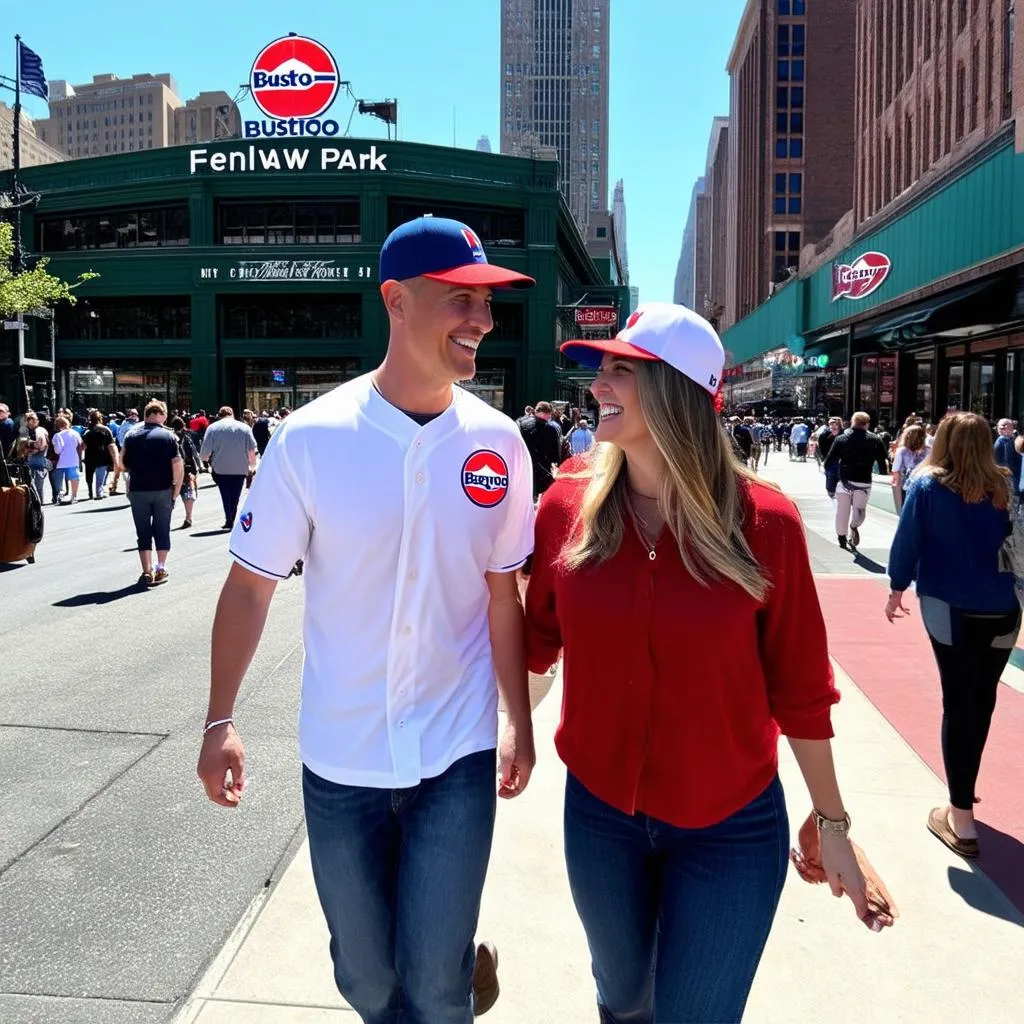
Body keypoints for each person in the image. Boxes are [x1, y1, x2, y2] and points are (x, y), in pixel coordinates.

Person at [197, 215, 539, 1024]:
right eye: (462, 299)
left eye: (489, 304)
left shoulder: (500, 444)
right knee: (366, 981)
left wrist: (516, 719)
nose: (483, 322)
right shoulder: (312, 439)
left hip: (455, 757)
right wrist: (219, 720)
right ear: (396, 299)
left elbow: (503, 592)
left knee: (428, 987)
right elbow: (250, 589)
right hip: (342, 759)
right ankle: (446, 963)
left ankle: (451, 970)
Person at [527, 303, 895, 1023]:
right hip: (599, 816)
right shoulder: (564, 509)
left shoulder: (766, 522)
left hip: (731, 826)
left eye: (620, 370)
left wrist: (835, 824)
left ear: (677, 392)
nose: (597, 383)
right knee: (624, 998)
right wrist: (491, 742)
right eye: (601, 368)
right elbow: (536, 650)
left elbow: (801, 690)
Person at [886, 412, 1020, 859]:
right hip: (1002, 610)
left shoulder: (928, 485)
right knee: (981, 702)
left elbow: (909, 540)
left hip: (950, 606)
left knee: (957, 702)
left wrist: (896, 587)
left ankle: (960, 816)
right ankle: (965, 784)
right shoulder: (1003, 486)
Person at [120, 399, 183, 586]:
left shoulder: (131, 435)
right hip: (163, 488)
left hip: (138, 489)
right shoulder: (170, 437)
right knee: (162, 529)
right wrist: (176, 489)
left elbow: (121, 462)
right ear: (162, 415)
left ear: (146, 415)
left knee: (143, 531)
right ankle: (161, 567)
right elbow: (177, 466)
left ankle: (146, 571)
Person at [823, 411, 889, 551]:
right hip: (863, 481)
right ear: (867, 424)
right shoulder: (875, 439)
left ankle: (841, 537)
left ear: (853, 422)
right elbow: (883, 459)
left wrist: (831, 477)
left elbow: (829, 461)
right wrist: (883, 471)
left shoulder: (841, 439)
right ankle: (854, 526)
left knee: (842, 511)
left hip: (845, 480)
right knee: (860, 511)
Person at [200, 407, 258, 530]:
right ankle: (232, 515)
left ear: (219, 415)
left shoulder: (212, 428)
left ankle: (229, 518)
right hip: (240, 468)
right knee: (235, 495)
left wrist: (205, 460)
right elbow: (252, 450)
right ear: (232, 414)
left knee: (225, 494)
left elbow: (205, 453)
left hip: (220, 468)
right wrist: (252, 467)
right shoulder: (245, 428)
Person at [518, 400, 563, 499]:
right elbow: (556, 453)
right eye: (549, 414)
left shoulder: (520, 423)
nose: (550, 417)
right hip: (543, 471)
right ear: (546, 413)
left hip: (524, 468)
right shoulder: (552, 428)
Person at [169, 416, 202, 528]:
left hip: (170, 471)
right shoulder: (187, 437)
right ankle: (188, 517)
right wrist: (197, 469)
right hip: (186, 469)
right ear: (183, 425)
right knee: (188, 493)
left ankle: (165, 518)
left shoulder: (169, 437)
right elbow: (193, 454)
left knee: (170, 496)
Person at [890, 423, 928, 514]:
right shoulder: (928, 450)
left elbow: (895, 469)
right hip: (925, 484)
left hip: (907, 485)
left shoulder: (901, 451)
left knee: (907, 511)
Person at [82, 409, 118, 500]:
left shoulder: (87, 431)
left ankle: (90, 492)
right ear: (100, 418)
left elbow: (83, 446)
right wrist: (115, 459)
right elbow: (111, 445)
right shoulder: (106, 430)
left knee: (89, 475)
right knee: (100, 476)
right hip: (102, 456)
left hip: (90, 457)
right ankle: (99, 492)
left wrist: (80, 458)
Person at [51, 414, 84, 504]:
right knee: (74, 478)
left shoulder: (57, 436)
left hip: (61, 462)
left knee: (59, 480)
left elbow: (58, 450)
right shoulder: (75, 433)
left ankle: (60, 496)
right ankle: (74, 496)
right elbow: (81, 445)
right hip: (74, 460)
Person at [993, 418, 1021, 490]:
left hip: (1008, 479)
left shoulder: (1004, 440)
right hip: (1011, 479)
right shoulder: (1008, 440)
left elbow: (1007, 461)